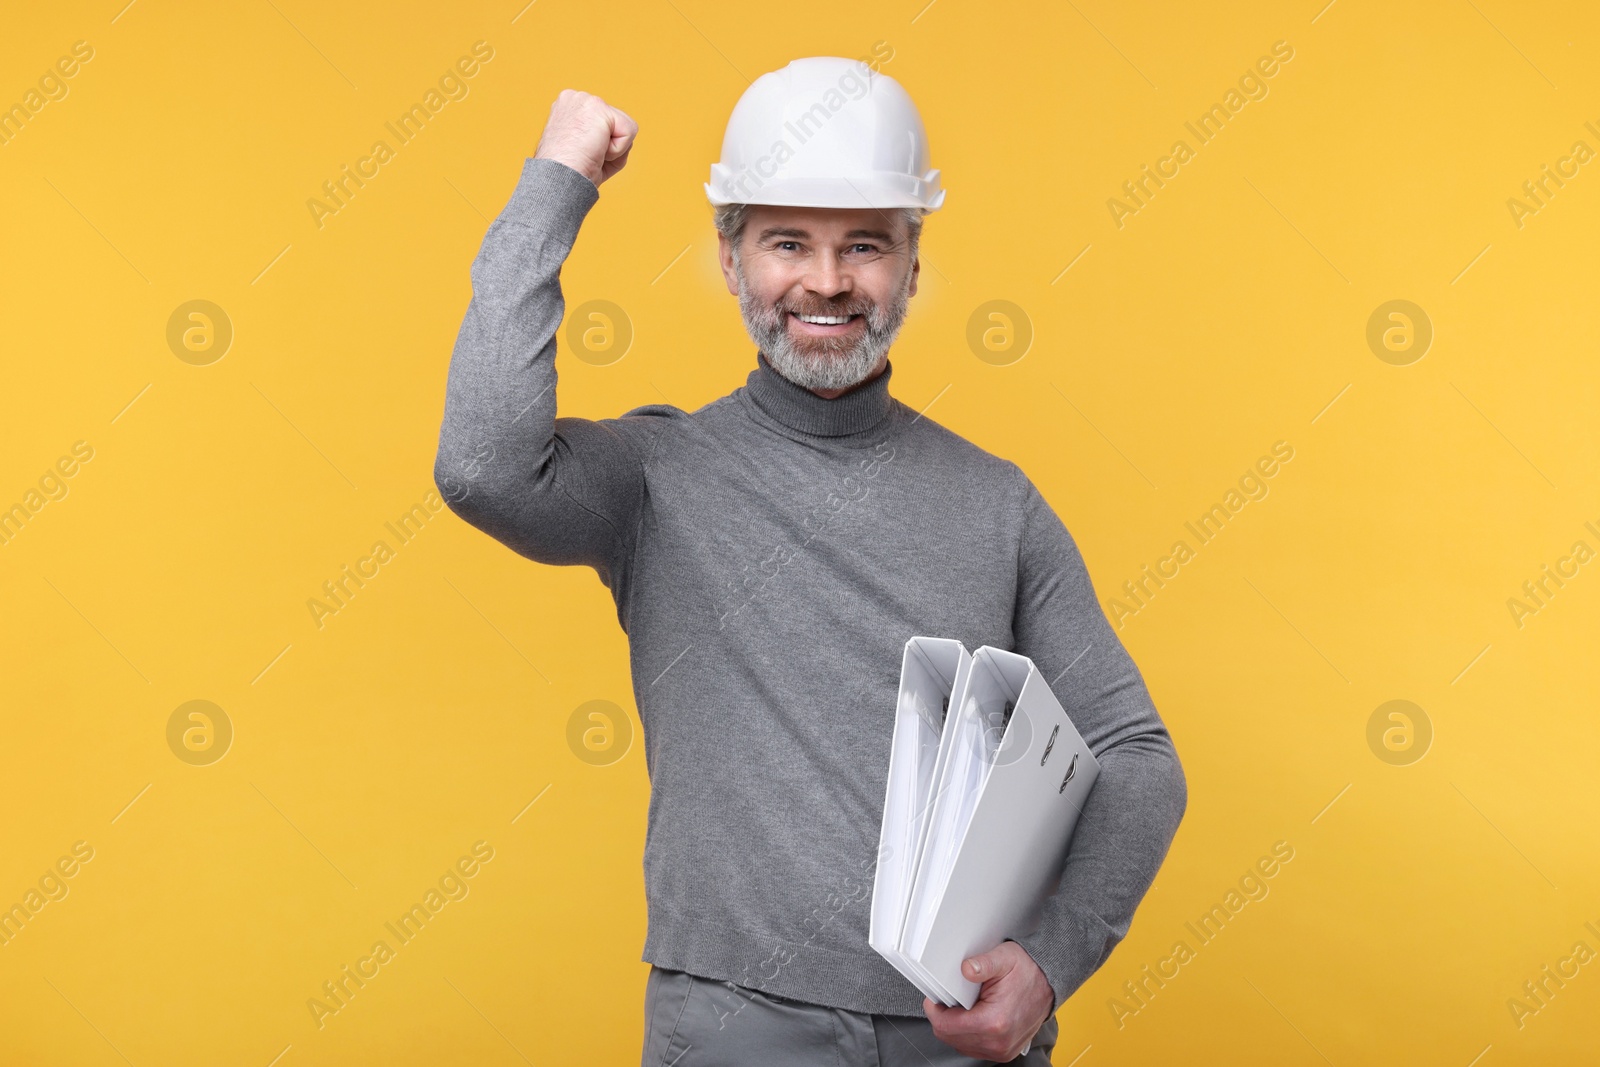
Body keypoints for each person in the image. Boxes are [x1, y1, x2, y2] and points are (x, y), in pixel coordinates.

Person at [433, 57, 1186, 1066]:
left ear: (911, 266)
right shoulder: (658, 477)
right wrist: (556, 179)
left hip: (960, 1032)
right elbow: (482, 466)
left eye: (864, 246)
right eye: (787, 241)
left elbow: (1136, 756)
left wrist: (1049, 960)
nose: (827, 281)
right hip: (737, 1026)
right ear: (732, 258)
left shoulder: (998, 502)